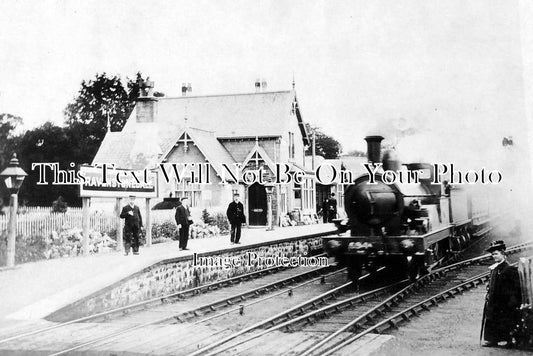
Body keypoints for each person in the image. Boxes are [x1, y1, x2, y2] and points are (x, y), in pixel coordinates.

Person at [481, 240, 522, 347]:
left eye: (496, 254)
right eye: (493, 254)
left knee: (505, 319)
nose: (494, 256)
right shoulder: (495, 269)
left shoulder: (509, 269)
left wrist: (512, 301)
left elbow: (515, 288)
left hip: (505, 301)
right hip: (494, 300)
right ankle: (493, 340)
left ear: (503, 254)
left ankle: (508, 340)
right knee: (492, 318)